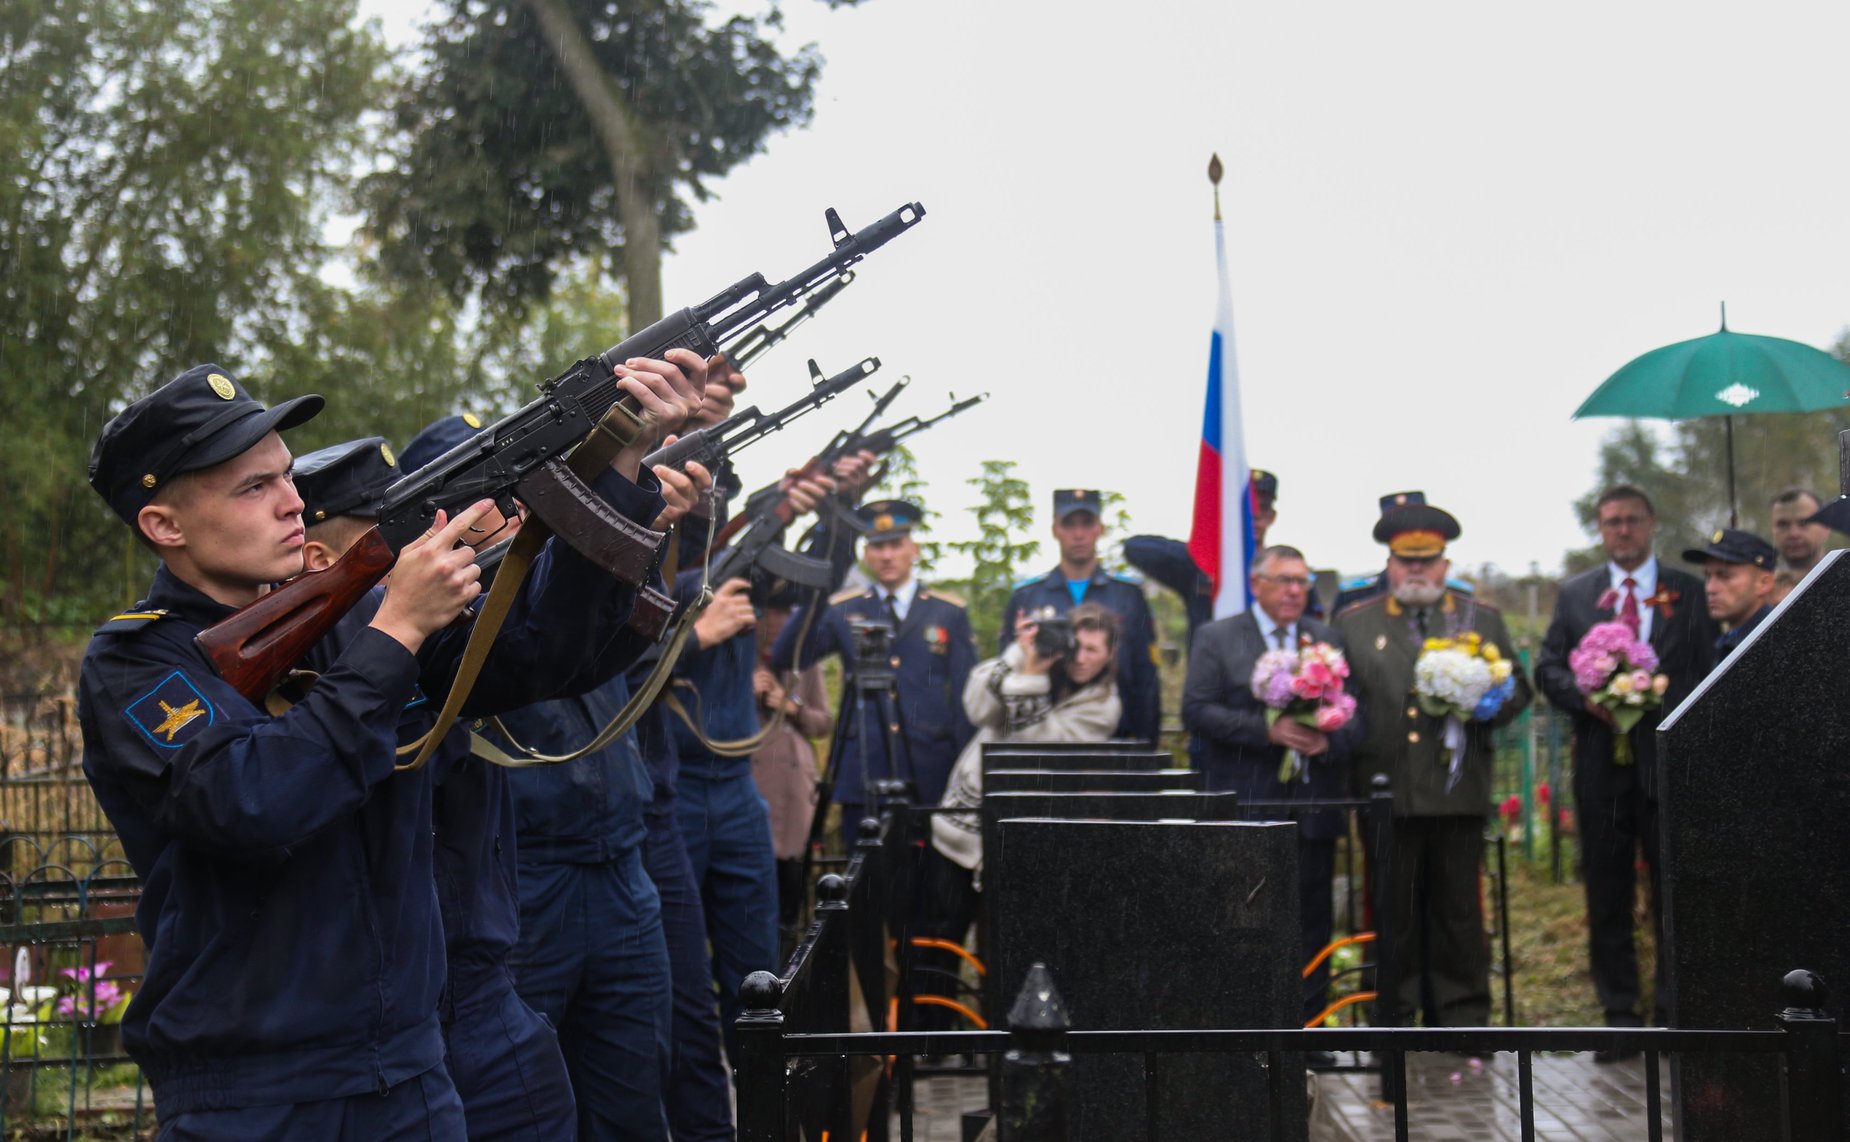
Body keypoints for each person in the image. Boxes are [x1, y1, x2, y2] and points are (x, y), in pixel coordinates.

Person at [77, 356, 698, 1137]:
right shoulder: (136, 663)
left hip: (410, 1066)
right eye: (254, 487)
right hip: (255, 1089)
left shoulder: (351, 621)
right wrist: (396, 631)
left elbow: (541, 650)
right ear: (164, 526)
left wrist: (619, 462)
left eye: (285, 475)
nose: (292, 501)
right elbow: (251, 802)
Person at [1334, 498, 1530, 1029]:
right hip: (1387, 790)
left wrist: (1484, 703)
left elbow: (1518, 691)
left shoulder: (1480, 619)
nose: (1416, 571)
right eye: (1406, 561)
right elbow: (1343, 701)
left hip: (1457, 789)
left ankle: (1461, 1017)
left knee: (1458, 911)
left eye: (1427, 560)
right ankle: (1392, 1017)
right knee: (1391, 910)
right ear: (1389, 564)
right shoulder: (1354, 624)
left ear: (1445, 564)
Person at [1534, 484, 1715, 1056]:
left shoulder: (1687, 590)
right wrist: (1585, 697)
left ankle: (1674, 1014)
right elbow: (1548, 668)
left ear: (1652, 523)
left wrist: (1662, 700)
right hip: (1601, 767)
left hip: (1668, 764)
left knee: (1674, 893)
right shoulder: (1577, 594)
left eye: (1633, 520)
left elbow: (1706, 666)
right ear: (1600, 528)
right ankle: (1619, 1017)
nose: (1623, 530)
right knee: (1607, 894)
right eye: (1612, 521)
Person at [1181, 544, 1363, 1026]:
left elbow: (1358, 718)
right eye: (1283, 580)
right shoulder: (1218, 637)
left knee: (1311, 923)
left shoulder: (1326, 640)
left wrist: (1328, 741)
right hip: (1248, 805)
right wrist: (1266, 731)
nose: (1294, 591)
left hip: (1312, 809)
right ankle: (1245, 1032)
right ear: (1256, 584)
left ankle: (1311, 1031)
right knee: (1243, 922)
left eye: (1301, 581)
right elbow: (1196, 711)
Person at [771, 499, 978, 837]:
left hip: (931, 767)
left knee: (929, 868)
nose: (887, 556)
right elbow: (788, 656)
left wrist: (965, 771)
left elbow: (965, 699)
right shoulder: (844, 608)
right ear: (866, 554)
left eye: (896, 545)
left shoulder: (948, 612)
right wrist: (815, 596)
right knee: (864, 868)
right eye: (878, 547)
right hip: (865, 766)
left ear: (914, 550)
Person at [928, 604, 1122, 956]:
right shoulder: (1031, 662)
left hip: (1024, 845)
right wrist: (1020, 652)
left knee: (1004, 948)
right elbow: (977, 709)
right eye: (1075, 645)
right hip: (963, 830)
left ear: (1109, 655)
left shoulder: (1103, 706)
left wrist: (1030, 678)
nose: (1080, 658)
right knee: (941, 939)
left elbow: (1042, 751)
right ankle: (936, 994)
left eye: (1093, 650)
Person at [1000, 489, 1159, 741]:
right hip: (1042, 733)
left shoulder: (1128, 595)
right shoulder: (1028, 597)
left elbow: (1145, 675)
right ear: (1055, 529)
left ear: (1099, 529)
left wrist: (1146, 744)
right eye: (1069, 524)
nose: (1078, 534)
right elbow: (1009, 668)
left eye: (1087, 523)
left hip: (1115, 734)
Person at [750, 590, 834, 945]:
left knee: (792, 889)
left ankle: (787, 953)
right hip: (755, 787)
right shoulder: (741, 659)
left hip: (795, 791)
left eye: (783, 613)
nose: (775, 622)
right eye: (769, 613)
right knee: (754, 894)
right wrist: (747, 692)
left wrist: (793, 707)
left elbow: (823, 722)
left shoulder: (805, 661)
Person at [1332, 491, 1475, 615]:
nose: (1416, 568)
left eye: (1427, 560)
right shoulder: (1355, 595)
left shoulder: (1460, 595)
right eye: (1406, 559)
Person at [1685, 528, 1777, 664]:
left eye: (1724, 576)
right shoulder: (1734, 640)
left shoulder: (1773, 644)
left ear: (1764, 583)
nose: (1710, 588)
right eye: (1707, 576)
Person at [1769, 487, 1830, 579]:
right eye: (1783, 524)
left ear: (1826, 527)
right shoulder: (1760, 585)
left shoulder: (1845, 578)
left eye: (1804, 523)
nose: (1793, 534)